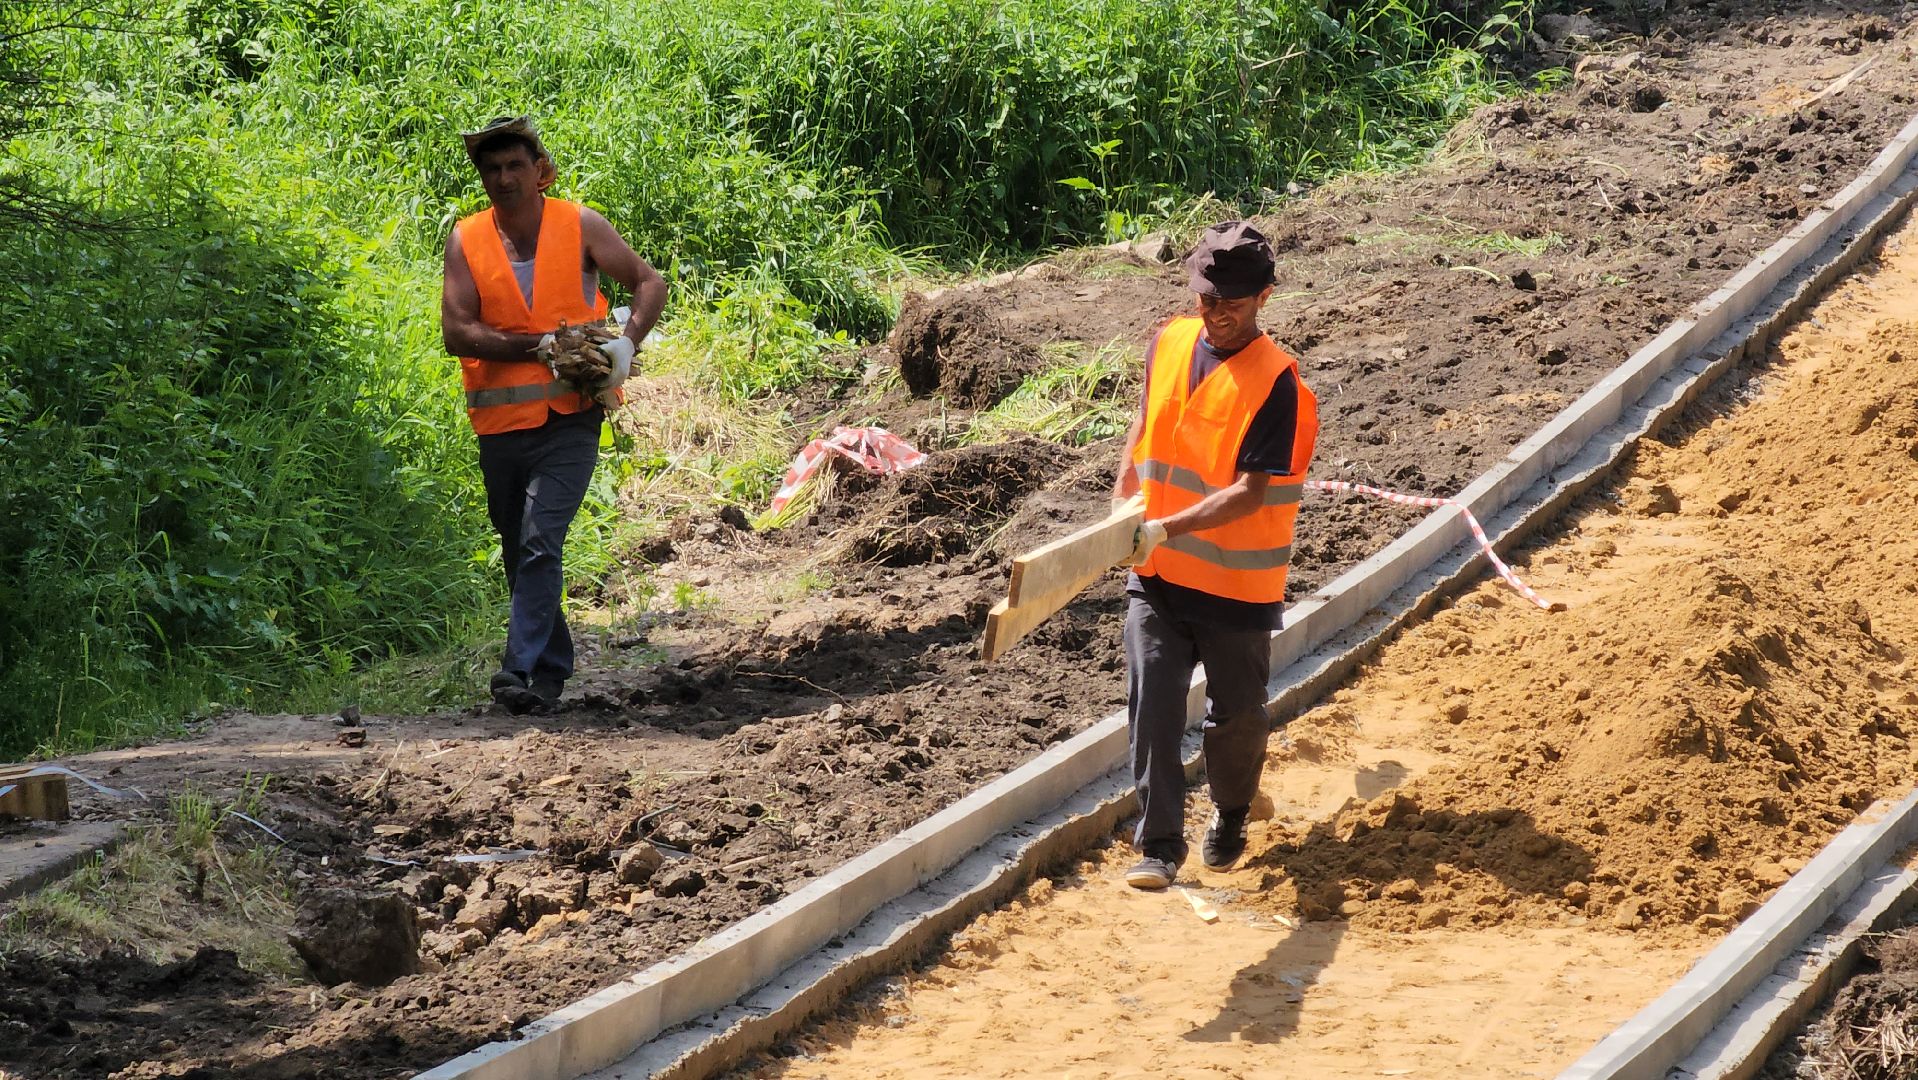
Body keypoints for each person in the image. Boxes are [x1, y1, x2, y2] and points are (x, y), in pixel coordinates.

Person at [1110, 221, 1320, 889]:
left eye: (1231, 302)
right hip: (1159, 576)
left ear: (1263, 298)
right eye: (1207, 298)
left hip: (1234, 588)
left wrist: (1166, 526)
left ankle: (1230, 812)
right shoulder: (1168, 343)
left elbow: (1252, 493)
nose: (1216, 314)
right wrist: (1122, 505)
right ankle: (1158, 847)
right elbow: (1144, 428)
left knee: (1235, 718)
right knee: (1154, 705)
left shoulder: (1277, 384)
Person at [441, 115, 667, 715]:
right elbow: (456, 331)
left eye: (515, 165)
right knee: (518, 546)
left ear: (539, 170)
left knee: (542, 539)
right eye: (492, 169)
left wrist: (627, 343)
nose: (504, 178)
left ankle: (516, 670)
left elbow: (649, 282)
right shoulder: (467, 239)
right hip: (500, 429)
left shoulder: (579, 224)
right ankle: (550, 670)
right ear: (482, 178)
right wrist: (535, 345)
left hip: (572, 416)